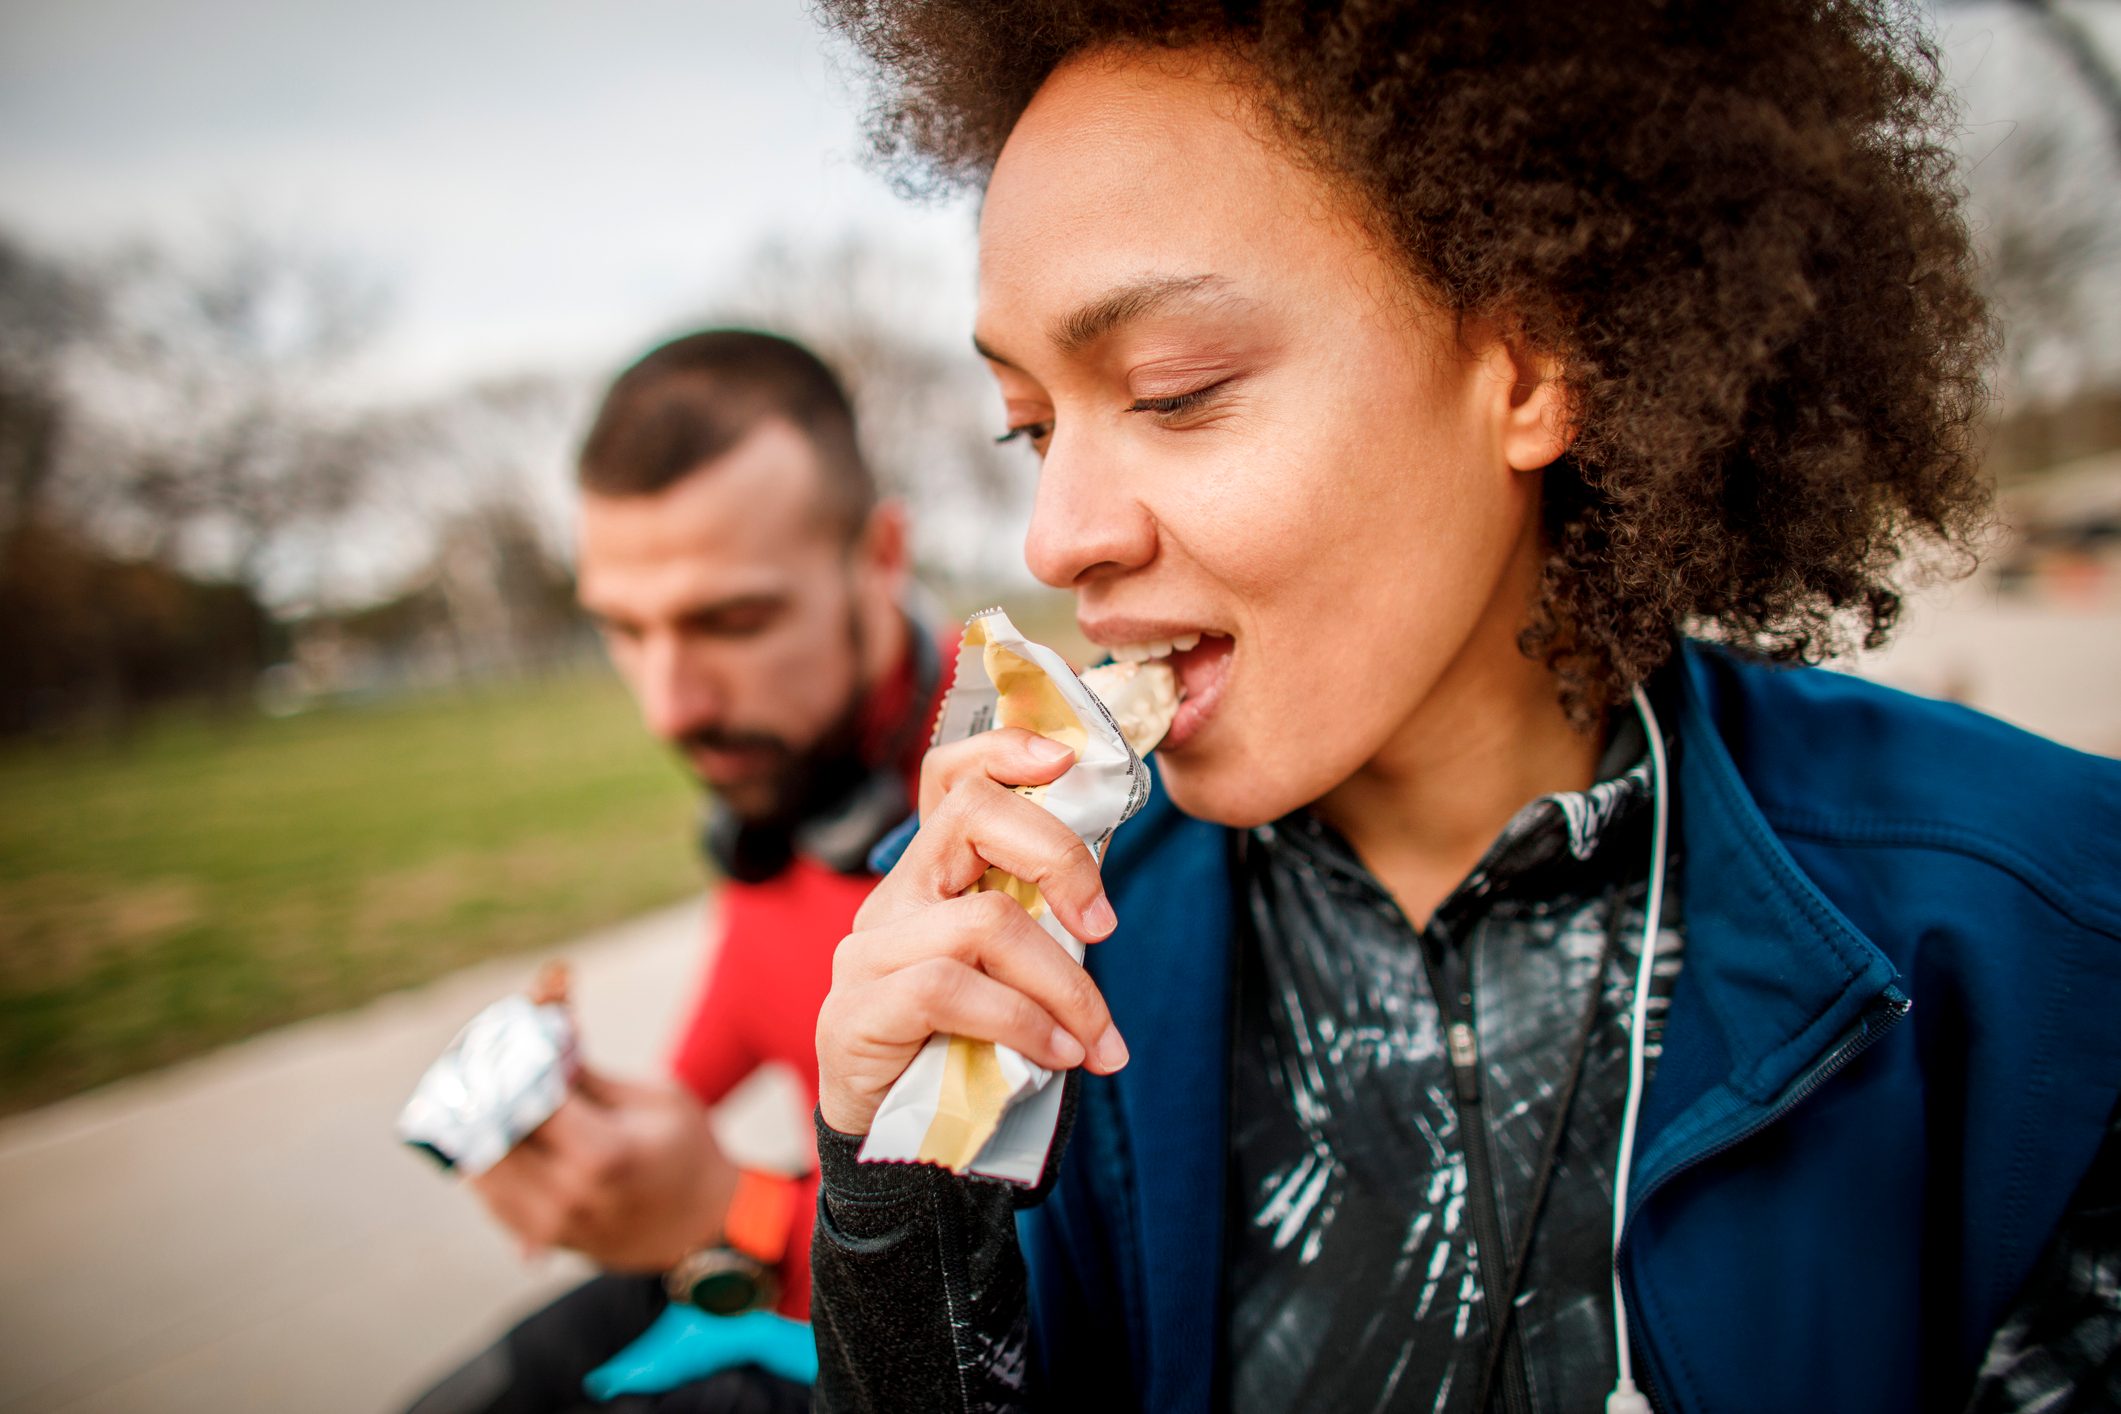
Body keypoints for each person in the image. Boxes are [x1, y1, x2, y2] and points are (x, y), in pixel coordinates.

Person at [800, 4, 2121, 1413]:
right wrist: (893, 1216)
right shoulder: (1007, 970)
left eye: (1174, 393)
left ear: (1534, 364)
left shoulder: (2044, 929)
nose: (1056, 537)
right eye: (1032, 426)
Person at [410, 330, 943, 1414]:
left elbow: (1048, 1289)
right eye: (623, 628)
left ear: (880, 556)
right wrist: (578, 1123)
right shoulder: (791, 789)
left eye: (732, 621)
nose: (669, 707)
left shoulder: (1034, 814)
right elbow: (723, 1046)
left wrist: (728, 1208)